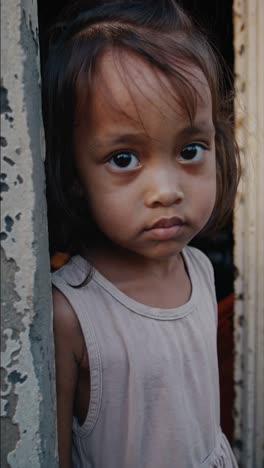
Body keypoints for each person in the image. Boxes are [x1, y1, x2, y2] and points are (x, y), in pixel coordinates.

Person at [43, 1, 241, 466]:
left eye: (191, 149)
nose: (167, 191)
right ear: (74, 175)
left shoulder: (198, 268)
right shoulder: (69, 314)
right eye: (124, 158)